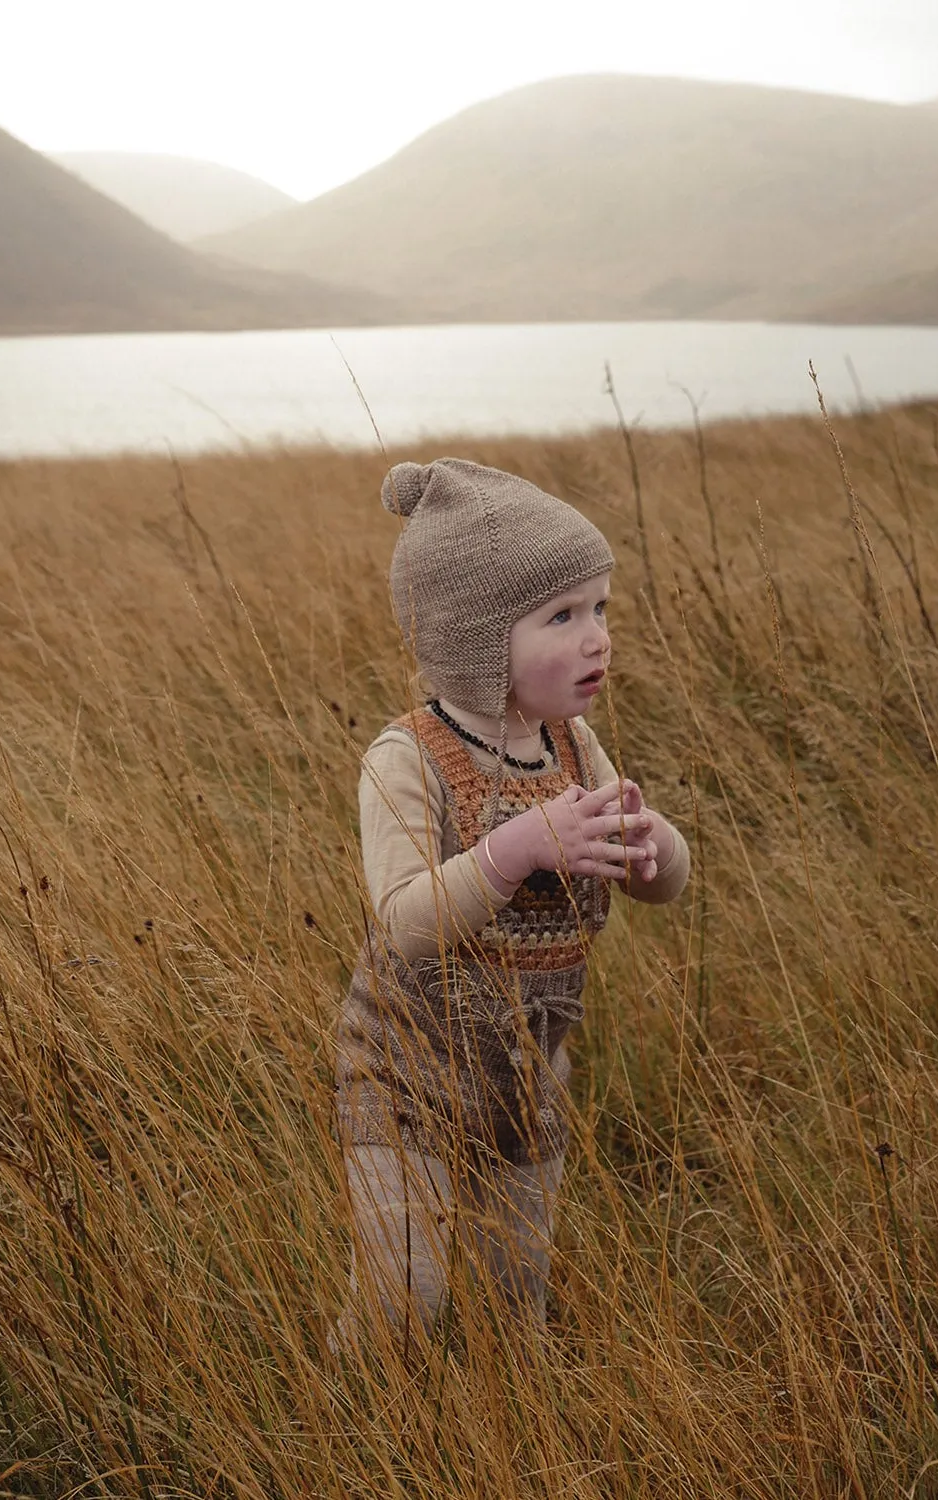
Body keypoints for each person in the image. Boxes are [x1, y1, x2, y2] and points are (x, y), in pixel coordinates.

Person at [331, 457, 692, 1355]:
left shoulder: (572, 745)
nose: (597, 637)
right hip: (407, 1075)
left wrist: (653, 849)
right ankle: (351, 1419)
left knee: (512, 1296)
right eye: (562, 616)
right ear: (474, 638)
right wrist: (515, 850)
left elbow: (660, 882)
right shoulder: (405, 759)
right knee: (404, 1292)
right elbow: (406, 922)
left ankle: (511, 1430)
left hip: (528, 1077)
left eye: (600, 609)